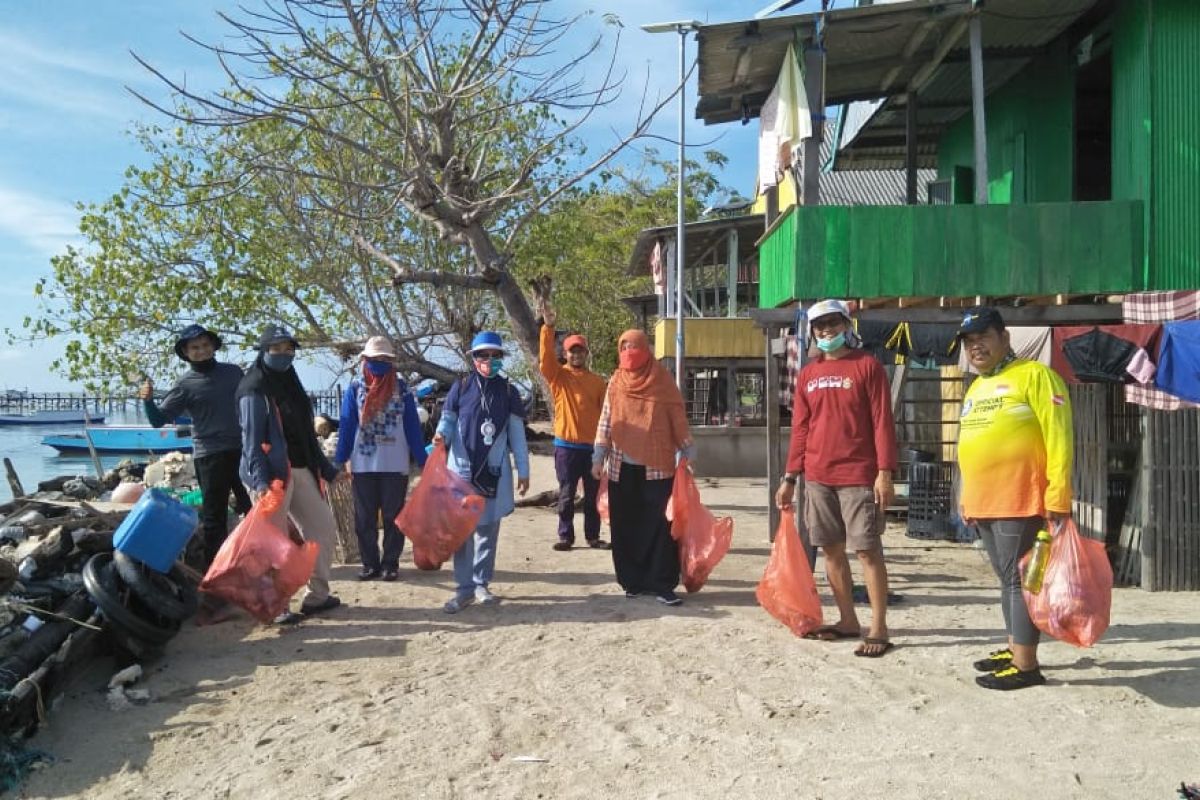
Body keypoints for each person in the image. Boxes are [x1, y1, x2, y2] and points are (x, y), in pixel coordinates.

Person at [956, 306, 1073, 691]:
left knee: (1018, 581)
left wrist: (1058, 494)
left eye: (983, 338)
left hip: (1019, 498)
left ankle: (1026, 666)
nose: (976, 347)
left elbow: (1059, 437)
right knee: (1006, 580)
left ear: (1005, 338)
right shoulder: (977, 385)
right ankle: (1014, 647)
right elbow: (968, 444)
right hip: (984, 500)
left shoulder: (1037, 376)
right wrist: (965, 495)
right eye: (970, 342)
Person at [775, 299, 898, 658]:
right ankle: (847, 620)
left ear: (846, 325)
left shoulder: (868, 366)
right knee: (830, 549)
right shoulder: (808, 375)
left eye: (832, 324)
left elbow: (882, 423)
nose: (826, 332)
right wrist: (789, 477)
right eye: (820, 327)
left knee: (867, 550)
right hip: (816, 476)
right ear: (812, 332)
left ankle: (878, 626)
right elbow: (800, 428)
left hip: (859, 475)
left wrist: (885, 473)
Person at [237, 324, 342, 623]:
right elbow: (250, 442)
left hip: (299, 467)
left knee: (322, 527)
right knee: (275, 542)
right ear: (263, 351)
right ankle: (278, 606)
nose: (284, 355)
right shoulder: (253, 388)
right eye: (276, 349)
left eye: (289, 349)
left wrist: (327, 470)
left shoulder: (292, 383)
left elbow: (306, 435)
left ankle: (318, 596)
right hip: (270, 477)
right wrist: (259, 482)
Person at [591, 329, 693, 607]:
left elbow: (676, 415)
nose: (628, 352)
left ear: (646, 349)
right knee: (626, 525)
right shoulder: (615, 381)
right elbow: (606, 421)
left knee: (660, 526)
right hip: (621, 468)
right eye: (623, 346)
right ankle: (632, 581)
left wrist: (687, 451)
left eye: (633, 346)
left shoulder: (662, 380)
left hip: (658, 467)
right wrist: (598, 459)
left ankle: (661, 584)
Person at [433, 331, 530, 614]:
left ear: (502, 358)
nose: (489, 360)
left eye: (495, 355)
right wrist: (440, 436)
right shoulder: (461, 387)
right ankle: (463, 589)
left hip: (494, 471)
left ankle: (481, 584)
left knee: (487, 530)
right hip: (461, 473)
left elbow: (517, 435)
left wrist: (523, 470)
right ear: (473, 358)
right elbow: (447, 421)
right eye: (482, 355)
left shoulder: (509, 392)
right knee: (461, 532)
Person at [139, 324, 251, 568]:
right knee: (214, 518)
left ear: (213, 347)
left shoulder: (233, 373)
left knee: (254, 509)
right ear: (186, 353)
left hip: (243, 450)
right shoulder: (184, 385)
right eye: (195, 348)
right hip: (209, 455)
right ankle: (215, 571)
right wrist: (147, 401)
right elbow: (158, 420)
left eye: (205, 345)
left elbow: (252, 404)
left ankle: (257, 562)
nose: (201, 351)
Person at [333, 336, 427, 581]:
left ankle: (390, 564)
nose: (380, 362)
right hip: (363, 464)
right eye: (375, 359)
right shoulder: (355, 388)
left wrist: (423, 459)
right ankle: (369, 563)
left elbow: (412, 426)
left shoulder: (402, 388)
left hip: (395, 464)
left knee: (394, 517)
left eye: (385, 358)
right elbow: (347, 425)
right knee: (364, 518)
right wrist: (339, 458)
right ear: (365, 360)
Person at [537, 299, 609, 552]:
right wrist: (548, 326)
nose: (576, 354)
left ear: (586, 353)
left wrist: (606, 447)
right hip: (566, 448)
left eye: (580, 351)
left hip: (592, 449)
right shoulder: (558, 376)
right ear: (565, 354)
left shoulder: (598, 382)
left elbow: (606, 416)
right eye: (572, 351)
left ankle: (593, 536)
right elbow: (545, 358)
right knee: (566, 494)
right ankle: (565, 536)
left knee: (592, 496)